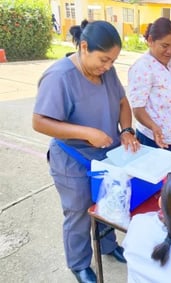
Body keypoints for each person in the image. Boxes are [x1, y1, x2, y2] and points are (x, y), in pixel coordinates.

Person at [32, 20, 137, 283]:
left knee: (107, 204)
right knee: (78, 212)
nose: (108, 67)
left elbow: (123, 103)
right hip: (72, 159)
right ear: (84, 47)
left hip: (106, 155)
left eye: (112, 61)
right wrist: (86, 133)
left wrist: (126, 130)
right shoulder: (59, 77)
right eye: (104, 59)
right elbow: (39, 121)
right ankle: (79, 263)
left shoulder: (106, 72)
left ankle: (108, 246)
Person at [128, 17, 171, 152]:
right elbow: (138, 109)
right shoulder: (142, 67)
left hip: (170, 135)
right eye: (165, 46)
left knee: (167, 171)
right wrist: (154, 127)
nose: (170, 51)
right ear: (151, 41)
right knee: (152, 172)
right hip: (152, 137)